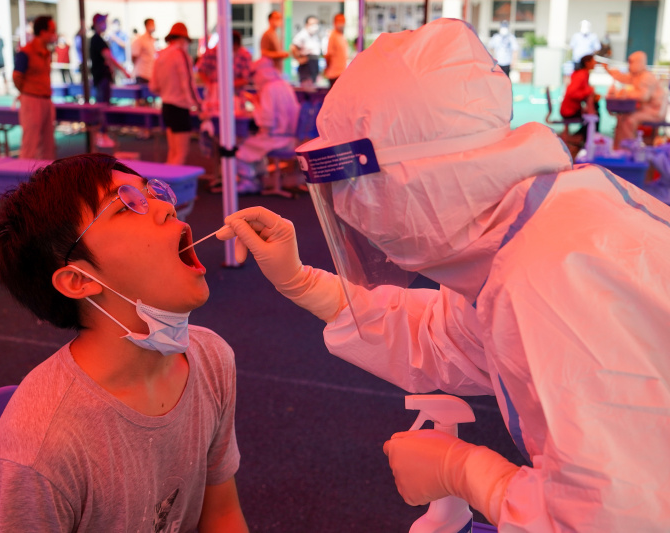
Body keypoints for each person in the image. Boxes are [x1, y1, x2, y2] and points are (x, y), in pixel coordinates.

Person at [217, 19, 670, 531]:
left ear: (409, 180)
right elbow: (447, 340)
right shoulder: (529, 234)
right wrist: (303, 282)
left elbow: (619, 517)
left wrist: (471, 474)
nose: (354, 213)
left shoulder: (552, 278)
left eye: (355, 190)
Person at [0, 153, 249, 532]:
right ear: (79, 280)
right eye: (125, 205)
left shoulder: (211, 358)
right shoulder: (39, 453)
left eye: (152, 193)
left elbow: (221, 515)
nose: (166, 208)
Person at [234, 58, 300, 194]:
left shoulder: (268, 88)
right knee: (254, 146)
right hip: (291, 138)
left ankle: (249, 182)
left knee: (239, 149)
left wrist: (256, 106)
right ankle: (261, 178)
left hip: (276, 138)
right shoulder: (284, 85)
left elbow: (267, 122)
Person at [150, 23, 200, 165]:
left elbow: (153, 86)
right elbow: (188, 84)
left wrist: (167, 91)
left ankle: (165, 179)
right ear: (183, 39)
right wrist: (199, 106)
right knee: (181, 153)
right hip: (179, 107)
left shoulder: (161, 55)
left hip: (166, 106)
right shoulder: (180, 54)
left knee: (173, 151)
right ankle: (171, 180)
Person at [13, 15, 57, 161]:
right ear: (43, 32)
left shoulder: (46, 52)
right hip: (31, 100)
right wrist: (28, 91)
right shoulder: (26, 51)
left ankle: (46, 174)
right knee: (30, 144)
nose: (54, 34)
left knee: (48, 145)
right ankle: (23, 174)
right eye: (52, 30)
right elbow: (16, 76)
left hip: (46, 99)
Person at [604, 51, 667, 149]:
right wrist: (609, 70)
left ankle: (628, 149)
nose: (630, 65)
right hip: (645, 109)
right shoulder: (637, 75)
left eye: (631, 62)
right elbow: (624, 78)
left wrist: (626, 93)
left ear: (639, 62)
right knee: (622, 117)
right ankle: (618, 148)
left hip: (655, 111)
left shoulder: (646, 76)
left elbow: (644, 96)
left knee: (629, 120)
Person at [90, 13, 130, 148]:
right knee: (103, 107)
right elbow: (109, 56)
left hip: (101, 78)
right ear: (97, 24)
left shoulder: (98, 39)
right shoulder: (97, 40)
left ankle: (102, 134)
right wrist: (123, 70)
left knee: (103, 105)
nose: (105, 25)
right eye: (103, 22)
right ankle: (102, 134)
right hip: (102, 78)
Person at [196, 30, 253, 114]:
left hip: (235, 96)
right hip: (213, 97)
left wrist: (226, 86)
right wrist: (210, 85)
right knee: (213, 117)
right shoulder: (211, 52)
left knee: (234, 117)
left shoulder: (244, 55)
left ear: (237, 45)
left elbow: (246, 79)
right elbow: (200, 70)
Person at [560, 54, 600, 143]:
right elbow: (572, 93)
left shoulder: (583, 73)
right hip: (569, 110)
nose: (595, 63)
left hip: (571, 108)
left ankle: (584, 138)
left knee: (594, 112)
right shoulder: (582, 74)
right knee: (593, 116)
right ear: (587, 63)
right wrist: (589, 91)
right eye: (593, 61)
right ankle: (585, 139)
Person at [290, 16, 322, 87]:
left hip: (314, 62)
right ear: (307, 24)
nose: (314, 26)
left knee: (313, 85)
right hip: (306, 64)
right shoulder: (302, 34)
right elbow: (293, 47)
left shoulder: (314, 35)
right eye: (312, 24)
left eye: (316, 24)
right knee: (307, 86)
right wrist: (299, 59)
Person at [323, 14, 348, 88]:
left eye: (343, 22)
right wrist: (327, 68)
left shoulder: (341, 36)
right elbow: (328, 55)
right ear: (334, 23)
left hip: (341, 72)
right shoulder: (333, 35)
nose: (341, 24)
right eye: (339, 22)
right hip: (334, 73)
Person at [131, 18, 156, 84]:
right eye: (152, 24)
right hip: (142, 74)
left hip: (150, 74)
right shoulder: (141, 40)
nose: (154, 26)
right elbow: (134, 56)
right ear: (146, 25)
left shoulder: (152, 40)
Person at [106, 18, 128, 83]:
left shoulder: (123, 34)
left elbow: (125, 45)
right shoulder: (110, 35)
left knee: (122, 79)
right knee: (114, 81)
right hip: (113, 62)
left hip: (121, 62)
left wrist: (115, 38)